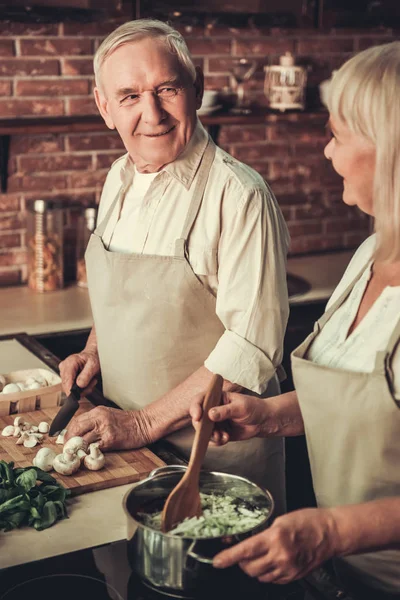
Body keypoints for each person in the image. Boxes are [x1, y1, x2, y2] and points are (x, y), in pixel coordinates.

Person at [190, 42, 400, 600]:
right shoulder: (371, 254)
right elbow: (364, 395)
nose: (326, 152)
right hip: (344, 576)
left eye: (337, 135)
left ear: (391, 149)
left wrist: (331, 530)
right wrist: (267, 417)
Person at [59, 19, 290, 516]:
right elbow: (126, 291)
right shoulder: (119, 176)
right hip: (126, 451)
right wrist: (95, 350)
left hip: (214, 464)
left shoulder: (240, 195)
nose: (152, 114)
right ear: (104, 108)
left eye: (167, 88)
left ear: (197, 89)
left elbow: (250, 348)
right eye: (129, 96)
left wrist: (142, 424)